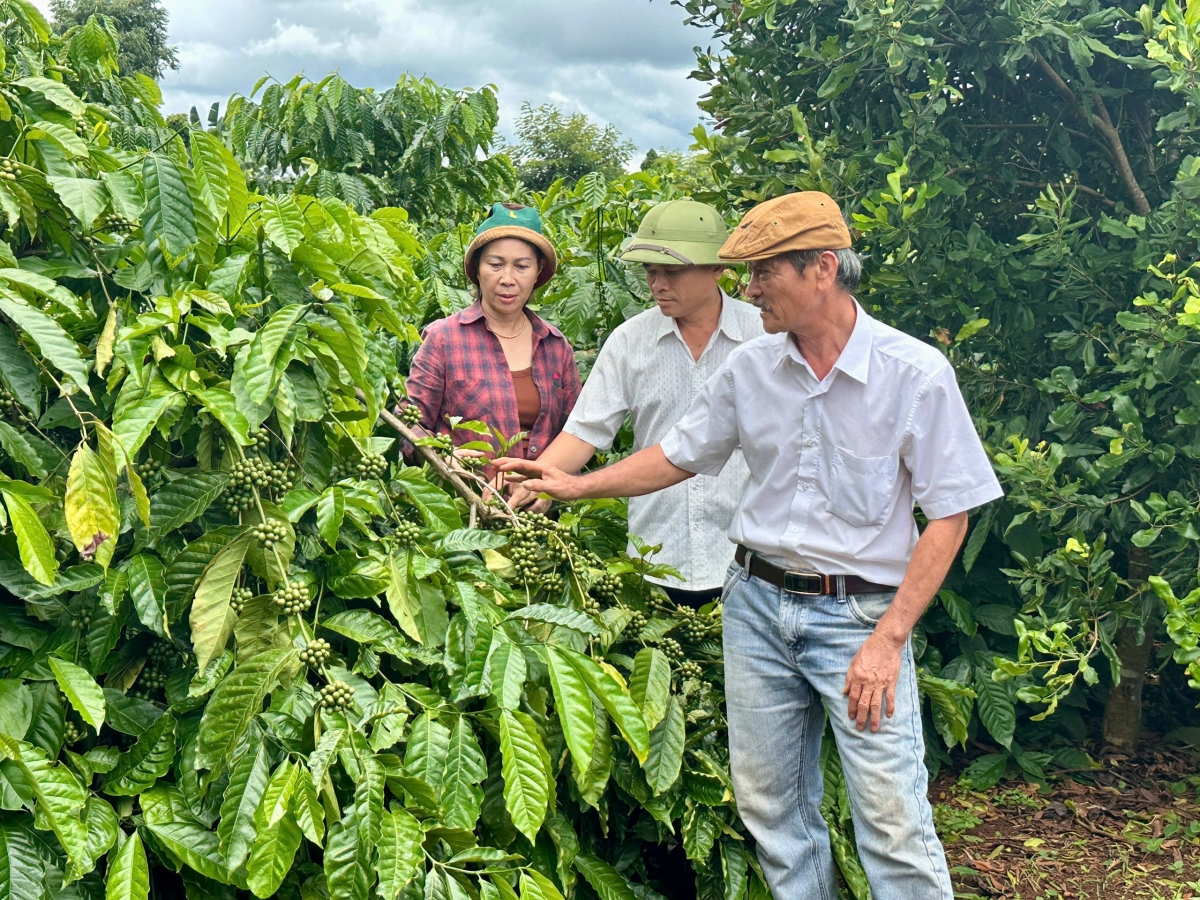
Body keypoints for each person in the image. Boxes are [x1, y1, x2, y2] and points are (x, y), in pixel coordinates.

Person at [496, 191, 1003, 900]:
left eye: (765, 272)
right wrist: (574, 486)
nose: (752, 288)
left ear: (823, 268)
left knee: (891, 818)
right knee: (772, 809)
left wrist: (890, 639)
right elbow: (678, 455)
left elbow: (950, 514)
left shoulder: (913, 374)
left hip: (858, 620)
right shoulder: (752, 368)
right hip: (756, 606)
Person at [511, 199, 762, 606]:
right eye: (650, 271)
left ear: (718, 268)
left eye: (672, 272)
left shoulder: (762, 338)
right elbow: (586, 429)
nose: (657, 285)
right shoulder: (631, 341)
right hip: (655, 557)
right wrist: (536, 481)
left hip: (746, 563)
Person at [405, 202, 581, 459]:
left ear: (538, 271)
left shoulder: (555, 346)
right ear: (477, 268)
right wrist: (445, 458)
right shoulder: (443, 339)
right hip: (468, 484)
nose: (507, 279)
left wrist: (544, 479)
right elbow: (409, 423)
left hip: (544, 485)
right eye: (496, 265)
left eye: (522, 266)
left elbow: (576, 432)